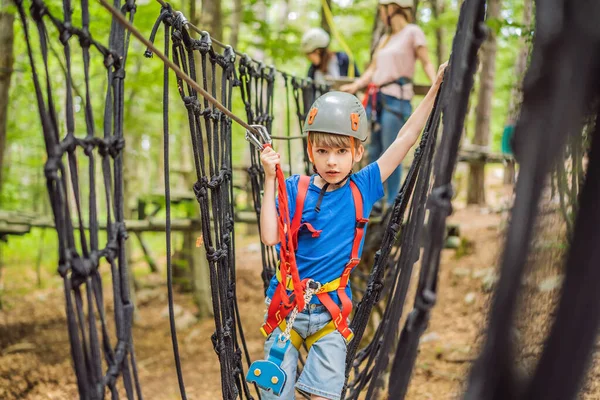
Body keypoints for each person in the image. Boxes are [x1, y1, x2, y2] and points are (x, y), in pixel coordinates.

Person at [257, 62, 447, 400]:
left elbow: (404, 138)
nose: (332, 161)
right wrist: (270, 179)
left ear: (358, 152)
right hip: (287, 307)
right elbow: (270, 237)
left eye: (342, 151)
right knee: (274, 393)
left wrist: (434, 90)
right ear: (310, 151)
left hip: (331, 312)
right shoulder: (294, 188)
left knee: (326, 394)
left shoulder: (365, 185)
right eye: (323, 151)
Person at [340, 0, 436, 208]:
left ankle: (392, 203)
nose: (382, 15)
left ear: (392, 8)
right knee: (374, 149)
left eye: (383, 10)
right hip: (377, 99)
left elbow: (426, 61)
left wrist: (437, 83)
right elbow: (372, 70)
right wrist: (356, 84)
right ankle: (375, 201)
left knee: (393, 149)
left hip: (397, 99)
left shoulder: (413, 32)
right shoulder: (385, 38)